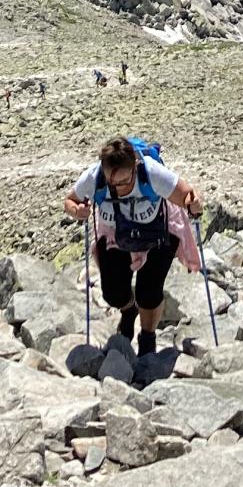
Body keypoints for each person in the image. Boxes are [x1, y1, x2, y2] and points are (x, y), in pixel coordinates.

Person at [64, 137, 203, 360]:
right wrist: (77, 211)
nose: (116, 188)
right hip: (115, 235)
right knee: (112, 293)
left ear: (134, 168)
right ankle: (128, 310)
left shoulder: (151, 172)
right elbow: (70, 201)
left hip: (158, 231)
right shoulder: (94, 176)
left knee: (148, 293)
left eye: (122, 182)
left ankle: (147, 338)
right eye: (111, 183)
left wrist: (193, 204)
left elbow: (185, 194)